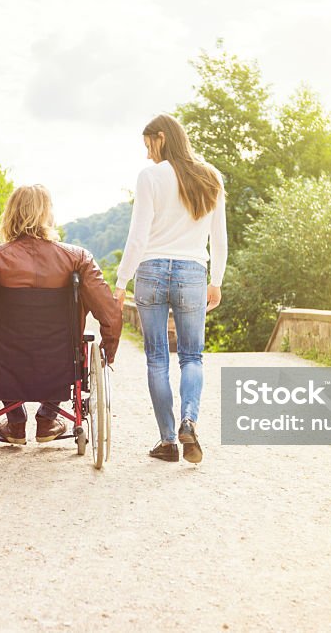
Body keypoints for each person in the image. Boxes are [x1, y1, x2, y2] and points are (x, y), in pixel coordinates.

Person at [0, 184, 121, 445]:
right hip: (61, 361)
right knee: (71, 349)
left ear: (10, 215)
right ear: (48, 215)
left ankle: (14, 420)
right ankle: (48, 417)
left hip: (5, 361)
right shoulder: (78, 258)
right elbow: (110, 315)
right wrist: (109, 349)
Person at [114, 113, 227, 464]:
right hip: (193, 272)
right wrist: (216, 280)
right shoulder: (211, 176)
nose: (148, 155)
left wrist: (121, 281)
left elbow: (138, 236)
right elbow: (218, 236)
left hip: (151, 270)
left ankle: (167, 441)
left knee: (158, 358)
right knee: (192, 356)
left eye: (149, 145)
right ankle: (188, 422)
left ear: (161, 137)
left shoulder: (150, 177)